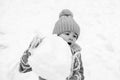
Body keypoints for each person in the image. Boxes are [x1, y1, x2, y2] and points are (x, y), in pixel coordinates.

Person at [19, 9, 84, 80]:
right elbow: (24, 67)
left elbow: (80, 72)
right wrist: (30, 52)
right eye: (67, 34)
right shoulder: (49, 47)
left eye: (74, 36)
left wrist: (76, 78)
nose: (71, 38)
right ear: (57, 35)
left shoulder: (76, 53)